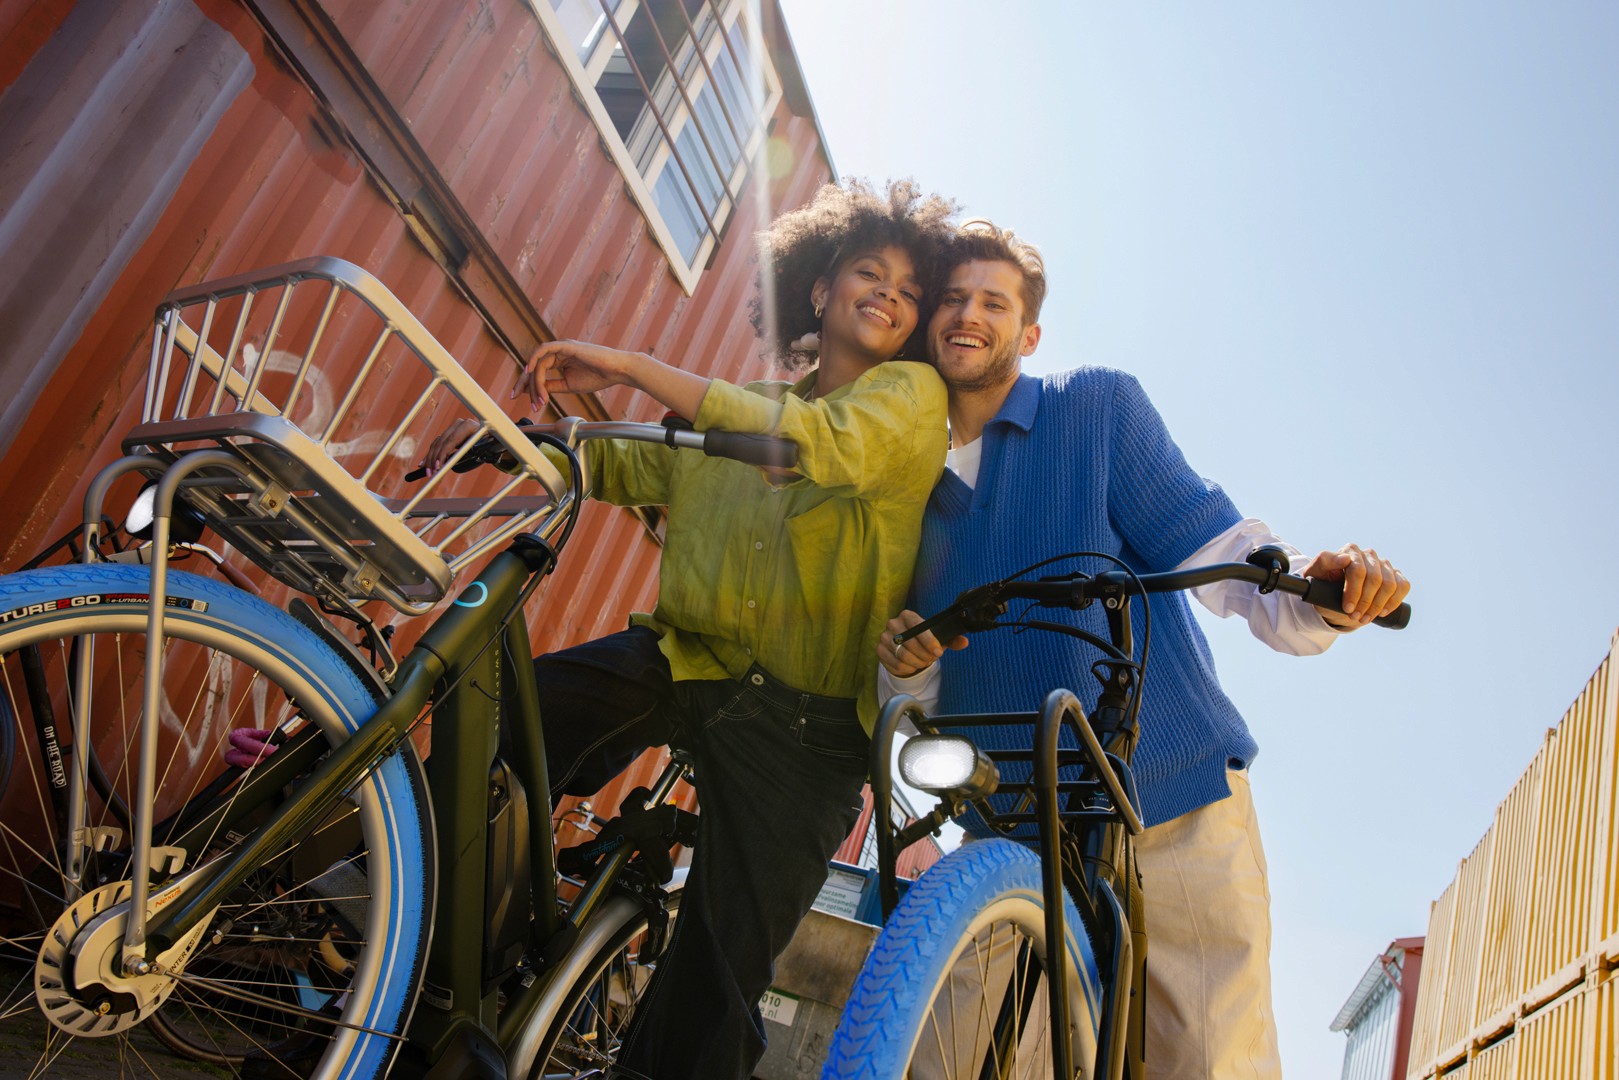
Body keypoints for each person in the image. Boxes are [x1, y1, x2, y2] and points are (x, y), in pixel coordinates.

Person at [422, 179, 953, 1080]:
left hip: (806, 732)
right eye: (870, 273)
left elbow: (809, 445)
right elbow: (626, 458)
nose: (890, 296)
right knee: (495, 717)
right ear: (818, 290)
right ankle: (437, 968)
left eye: (909, 291)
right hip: (686, 660)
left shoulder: (909, 400)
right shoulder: (736, 401)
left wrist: (630, 364)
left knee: (715, 977)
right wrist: (519, 441)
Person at [878, 220, 1410, 1080]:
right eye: (951, 299)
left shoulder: (1094, 409)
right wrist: (906, 661)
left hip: (1167, 791)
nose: (967, 315)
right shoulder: (908, 489)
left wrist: (1320, 583)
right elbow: (918, 681)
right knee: (949, 1056)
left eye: (993, 301)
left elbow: (1220, 558)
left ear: (1029, 332)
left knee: (1204, 1056)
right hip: (1004, 826)